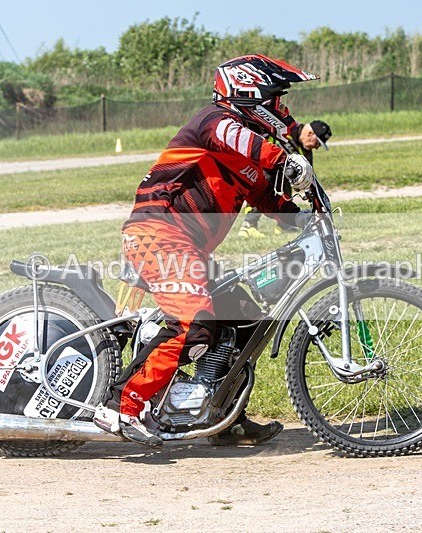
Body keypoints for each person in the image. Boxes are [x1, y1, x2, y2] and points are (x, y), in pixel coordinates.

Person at [93, 54, 317, 447]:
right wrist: (283, 158)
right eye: (275, 98)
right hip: (156, 234)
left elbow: (269, 198)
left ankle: (221, 418)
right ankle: (120, 407)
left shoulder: (248, 158)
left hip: (187, 247)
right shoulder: (213, 122)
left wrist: (310, 216)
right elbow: (240, 140)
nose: (280, 109)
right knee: (192, 322)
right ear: (249, 93)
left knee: (245, 319)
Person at [238, 119, 332, 238]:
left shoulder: (306, 152)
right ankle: (248, 226)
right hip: (262, 168)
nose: (317, 147)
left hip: (281, 175)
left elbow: (309, 179)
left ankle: (283, 225)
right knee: (265, 187)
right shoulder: (286, 128)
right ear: (310, 134)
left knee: (287, 190)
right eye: (317, 143)